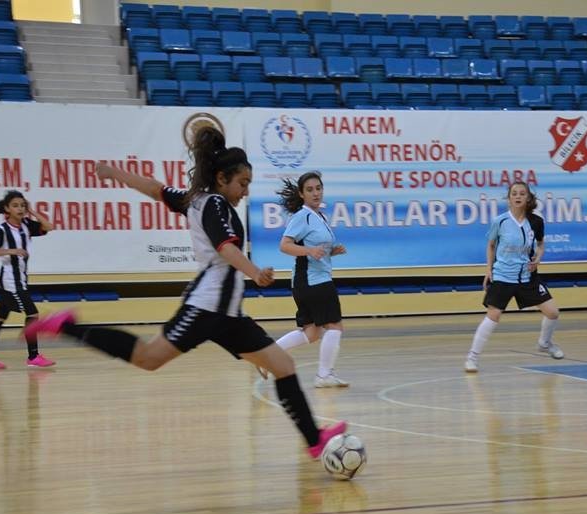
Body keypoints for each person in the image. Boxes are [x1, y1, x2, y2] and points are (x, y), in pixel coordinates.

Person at [24, 127, 346, 459]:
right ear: (222, 179)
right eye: (243, 184)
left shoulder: (194, 199)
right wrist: (255, 273)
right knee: (148, 359)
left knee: (283, 365)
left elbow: (152, 188)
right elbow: (225, 249)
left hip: (229, 314)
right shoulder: (215, 205)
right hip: (206, 308)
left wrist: (113, 173)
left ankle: (314, 440)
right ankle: (64, 326)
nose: (245, 191)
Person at [259, 171, 349, 389]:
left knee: (312, 332)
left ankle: (266, 357)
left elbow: (317, 250)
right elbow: (284, 245)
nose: (316, 193)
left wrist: (330, 252)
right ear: (301, 194)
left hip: (309, 281)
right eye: (310, 190)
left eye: (318, 188)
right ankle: (324, 375)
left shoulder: (319, 216)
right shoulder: (302, 216)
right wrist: (309, 250)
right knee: (334, 326)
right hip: (313, 280)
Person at [465, 181, 563, 373]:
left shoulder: (536, 221)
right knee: (493, 315)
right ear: (508, 198)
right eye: (514, 194)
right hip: (503, 275)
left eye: (522, 193)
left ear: (528, 198)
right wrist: (489, 270)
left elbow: (541, 245)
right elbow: (491, 245)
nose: (518, 196)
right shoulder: (500, 221)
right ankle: (472, 357)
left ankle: (544, 343)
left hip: (528, 276)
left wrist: (539, 257)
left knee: (553, 312)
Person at [0, 190, 56, 369]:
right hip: (11, 282)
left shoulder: (26, 225)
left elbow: (49, 227)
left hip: (21, 280)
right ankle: (33, 356)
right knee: (32, 314)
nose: (20, 208)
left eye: (22, 205)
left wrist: (32, 212)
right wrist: (11, 251)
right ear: (7, 209)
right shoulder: (2, 230)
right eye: (16, 205)